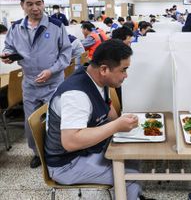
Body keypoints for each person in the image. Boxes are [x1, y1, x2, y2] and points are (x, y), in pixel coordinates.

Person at [44, 39, 142, 200]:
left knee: (132, 154)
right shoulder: (76, 94)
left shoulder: (96, 78)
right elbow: (70, 142)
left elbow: (107, 107)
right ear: (104, 69)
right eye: (123, 70)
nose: (126, 75)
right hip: (67, 164)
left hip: (87, 150)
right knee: (130, 177)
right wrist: (117, 126)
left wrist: (121, 125)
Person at [1, 0, 71, 168]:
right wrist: (8, 55)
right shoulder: (16, 28)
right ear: (22, 5)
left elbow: (65, 54)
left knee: (55, 120)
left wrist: (51, 70)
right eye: (30, 4)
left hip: (53, 82)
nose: (35, 8)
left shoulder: (56, 26)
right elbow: (9, 47)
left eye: (38, 3)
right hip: (30, 84)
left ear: (43, 3)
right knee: (30, 122)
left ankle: (57, 152)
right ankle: (37, 153)